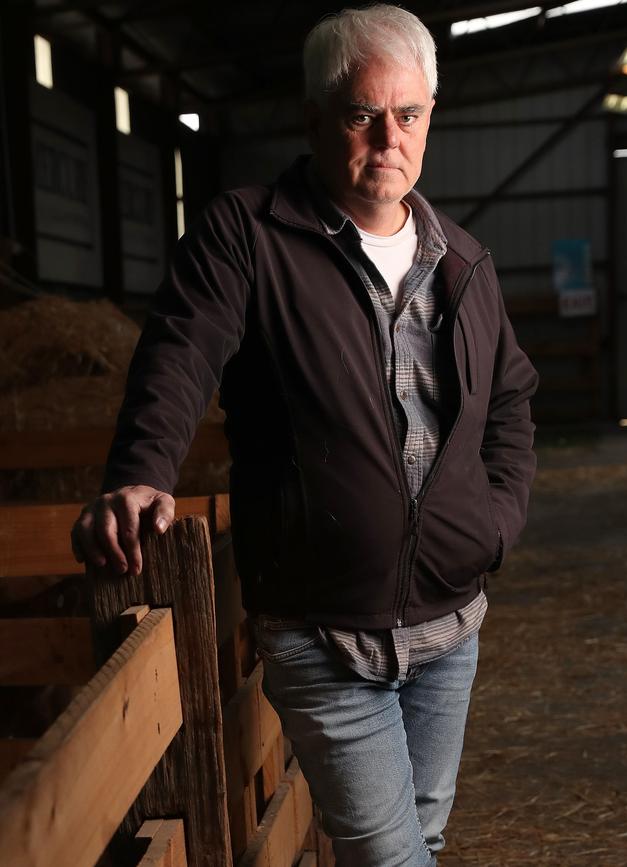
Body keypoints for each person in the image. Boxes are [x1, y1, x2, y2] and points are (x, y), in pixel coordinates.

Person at [71, 5, 538, 865]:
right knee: (388, 855)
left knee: (420, 839)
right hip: (324, 629)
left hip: (449, 626)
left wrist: (494, 525)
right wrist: (143, 471)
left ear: (430, 118)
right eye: (363, 114)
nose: (388, 138)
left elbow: (510, 407)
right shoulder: (248, 237)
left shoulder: (465, 265)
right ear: (317, 118)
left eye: (409, 115)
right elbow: (180, 351)